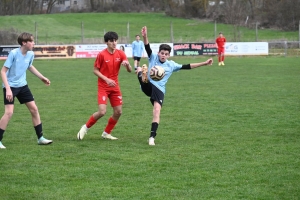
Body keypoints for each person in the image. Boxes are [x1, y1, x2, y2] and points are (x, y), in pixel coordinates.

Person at [136, 26, 213, 146]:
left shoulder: (171, 65)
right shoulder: (153, 57)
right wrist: (145, 36)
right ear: (159, 53)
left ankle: (152, 137)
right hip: (149, 86)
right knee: (143, 76)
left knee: (157, 110)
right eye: (162, 53)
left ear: (168, 55)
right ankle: (141, 73)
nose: (163, 55)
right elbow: (147, 46)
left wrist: (204, 63)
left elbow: (187, 66)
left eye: (166, 54)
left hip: (159, 89)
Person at [0, 32, 53, 149]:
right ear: (24, 43)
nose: (34, 43)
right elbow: (2, 71)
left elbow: (29, 66)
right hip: (10, 87)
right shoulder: (14, 54)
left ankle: (40, 138)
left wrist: (42, 77)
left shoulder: (30, 54)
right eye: (32, 41)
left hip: (23, 86)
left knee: (34, 109)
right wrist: (8, 89)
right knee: (9, 113)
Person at [77, 31, 132, 141]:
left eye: (115, 40)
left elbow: (130, 71)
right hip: (103, 86)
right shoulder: (102, 55)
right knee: (102, 111)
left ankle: (106, 133)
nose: (114, 43)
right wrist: (106, 80)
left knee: (118, 112)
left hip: (115, 87)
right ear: (106, 42)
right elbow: (95, 70)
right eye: (111, 41)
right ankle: (85, 128)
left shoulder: (121, 53)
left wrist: (127, 65)